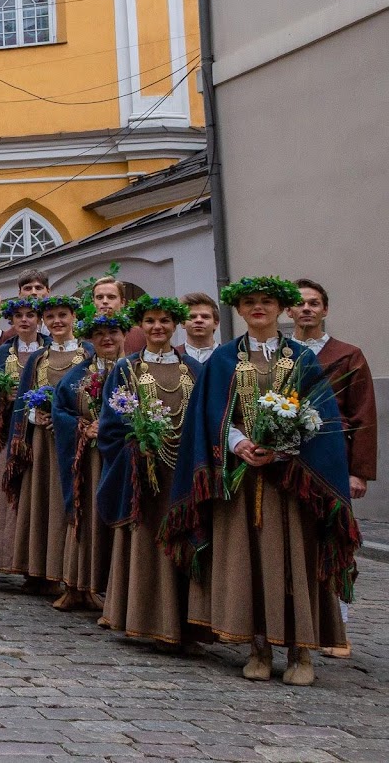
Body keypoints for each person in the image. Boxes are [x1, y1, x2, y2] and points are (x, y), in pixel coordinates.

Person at [162, 276, 357, 685]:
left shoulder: (302, 358)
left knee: (292, 561)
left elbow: (320, 419)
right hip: (239, 482)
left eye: (266, 301)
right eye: (249, 302)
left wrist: (283, 446)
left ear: (281, 308)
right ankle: (258, 647)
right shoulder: (224, 360)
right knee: (245, 561)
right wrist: (237, 443)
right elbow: (209, 416)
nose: (258, 308)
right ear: (238, 310)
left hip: (291, 484)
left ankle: (301, 650)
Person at [97, 295, 201, 647]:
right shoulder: (125, 369)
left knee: (180, 540)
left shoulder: (194, 371)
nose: (158, 327)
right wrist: (135, 446)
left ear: (176, 326)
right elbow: (110, 424)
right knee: (145, 544)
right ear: (141, 326)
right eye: (151, 321)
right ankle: (140, 618)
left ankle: (184, 624)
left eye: (165, 321)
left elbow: (204, 421)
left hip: (182, 474)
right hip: (143, 475)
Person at [0, 295, 86, 590]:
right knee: (44, 502)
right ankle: (40, 568)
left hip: (78, 440)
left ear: (73, 317)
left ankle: (76, 575)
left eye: (62, 315)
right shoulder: (39, 358)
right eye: (51, 316)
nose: (57, 321)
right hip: (42, 441)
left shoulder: (87, 353)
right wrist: (33, 416)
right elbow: (24, 399)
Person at [52, 313, 129, 612]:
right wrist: (83, 426)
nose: (107, 338)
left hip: (120, 459)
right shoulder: (77, 375)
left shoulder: (132, 371)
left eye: (113, 332)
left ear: (123, 334)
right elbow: (60, 410)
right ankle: (76, 584)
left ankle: (114, 592)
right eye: (99, 334)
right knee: (85, 516)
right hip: (88, 460)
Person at [0, 297, 48, 579]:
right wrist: (2, 397)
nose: (25, 320)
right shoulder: (4, 354)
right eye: (19, 316)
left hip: (42, 434)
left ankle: (37, 567)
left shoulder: (50, 350)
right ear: (12, 321)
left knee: (36, 497)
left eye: (31, 315)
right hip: (10, 434)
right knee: (4, 495)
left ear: (38, 319)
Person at [291, 279, 376, 500]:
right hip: (286, 459)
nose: (307, 308)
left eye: (314, 303)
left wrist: (358, 473)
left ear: (325, 310)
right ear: (288, 311)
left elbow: (364, 414)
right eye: (299, 304)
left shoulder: (347, 355)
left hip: (333, 453)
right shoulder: (279, 354)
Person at [91, 274, 146, 355]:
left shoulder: (140, 335)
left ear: (122, 302)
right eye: (99, 297)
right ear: (93, 302)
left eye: (111, 297)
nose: (105, 301)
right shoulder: (85, 337)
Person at [181, 292, 219, 365]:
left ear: (216, 323)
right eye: (192, 317)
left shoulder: (228, 356)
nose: (199, 320)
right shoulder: (173, 356)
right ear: (183, 323)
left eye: (205, 316)